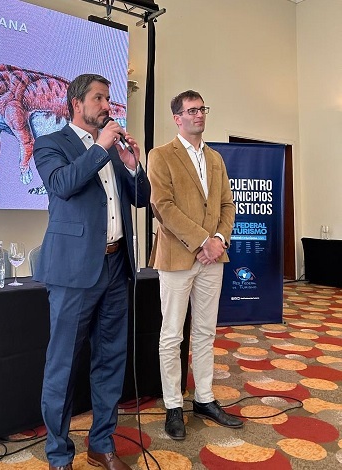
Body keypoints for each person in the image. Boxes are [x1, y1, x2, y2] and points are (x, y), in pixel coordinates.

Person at [32, 73, 151, 470]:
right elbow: (62, 184)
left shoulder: (114, 151)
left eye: (108, 98)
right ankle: (58, 455)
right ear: (76, 104)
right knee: (63, 364)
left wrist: (134, 167)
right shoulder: (51, 144)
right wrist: (100, 148)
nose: (106, 105)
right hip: (73, 272)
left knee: (111, 360)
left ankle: (101, 444)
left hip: (116, 266)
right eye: (99, 98)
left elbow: (141, 199)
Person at [147, 90, 243, 440]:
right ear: (177, 118)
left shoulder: (216, 158)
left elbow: (227, 205)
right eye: (191, 110)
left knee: (205, 331)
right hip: (176, 257)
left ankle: (204, 398)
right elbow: (163, 206)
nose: (199, 114)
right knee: (172, 334)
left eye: (202, 109)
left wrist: (218, 241)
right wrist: (204, 241)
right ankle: (173, 405)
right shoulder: (160, 155)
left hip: (214, 258)